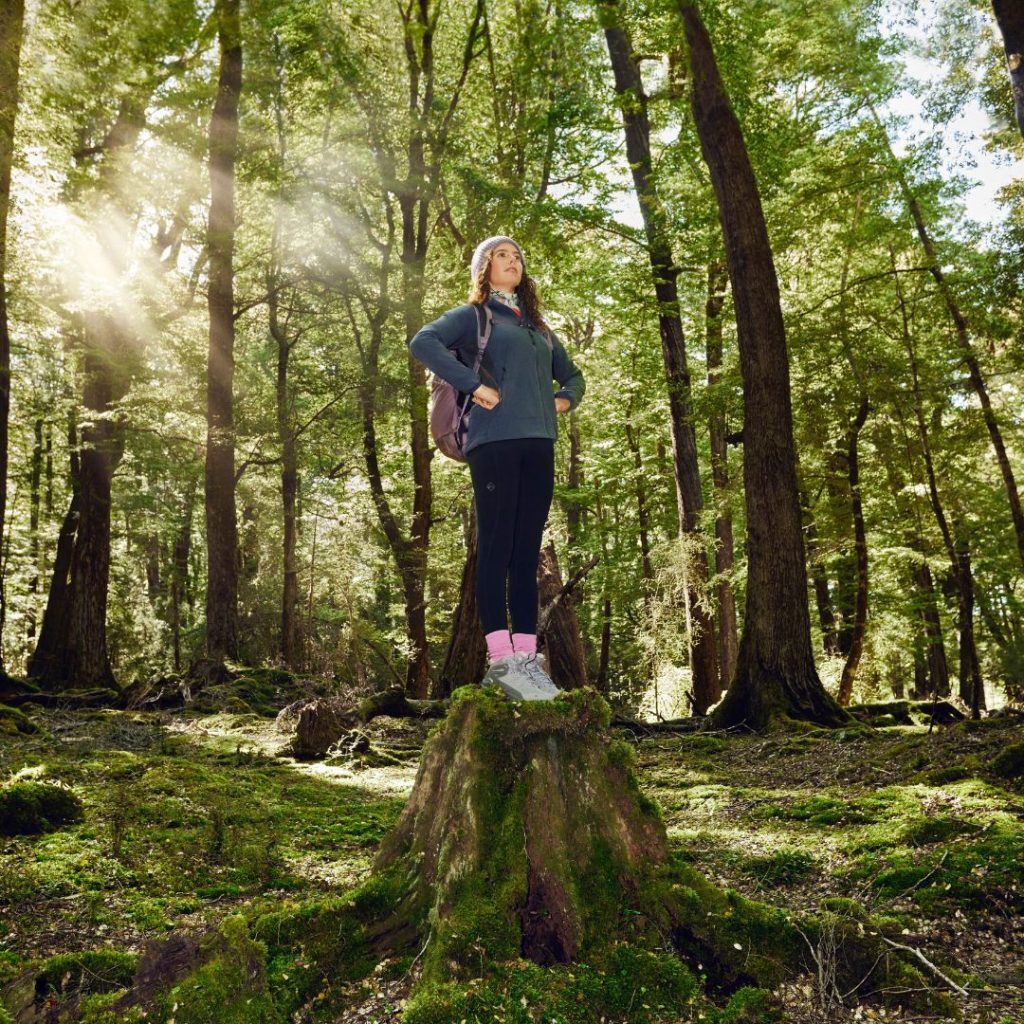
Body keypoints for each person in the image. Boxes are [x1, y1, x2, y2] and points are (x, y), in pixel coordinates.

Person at [409, 236, 585, 700]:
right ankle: (501, 658)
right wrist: (473, 385)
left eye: (517, 257)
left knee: (527, 553)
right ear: (484, 268)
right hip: (494, 442)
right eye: (502, 256)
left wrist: (564, 399)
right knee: (497, 547)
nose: (513, 262)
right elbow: (423, 341)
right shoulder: (475, 317)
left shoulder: (539, 329)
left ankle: (527, 659)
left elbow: (573, 376)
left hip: (539, 443)